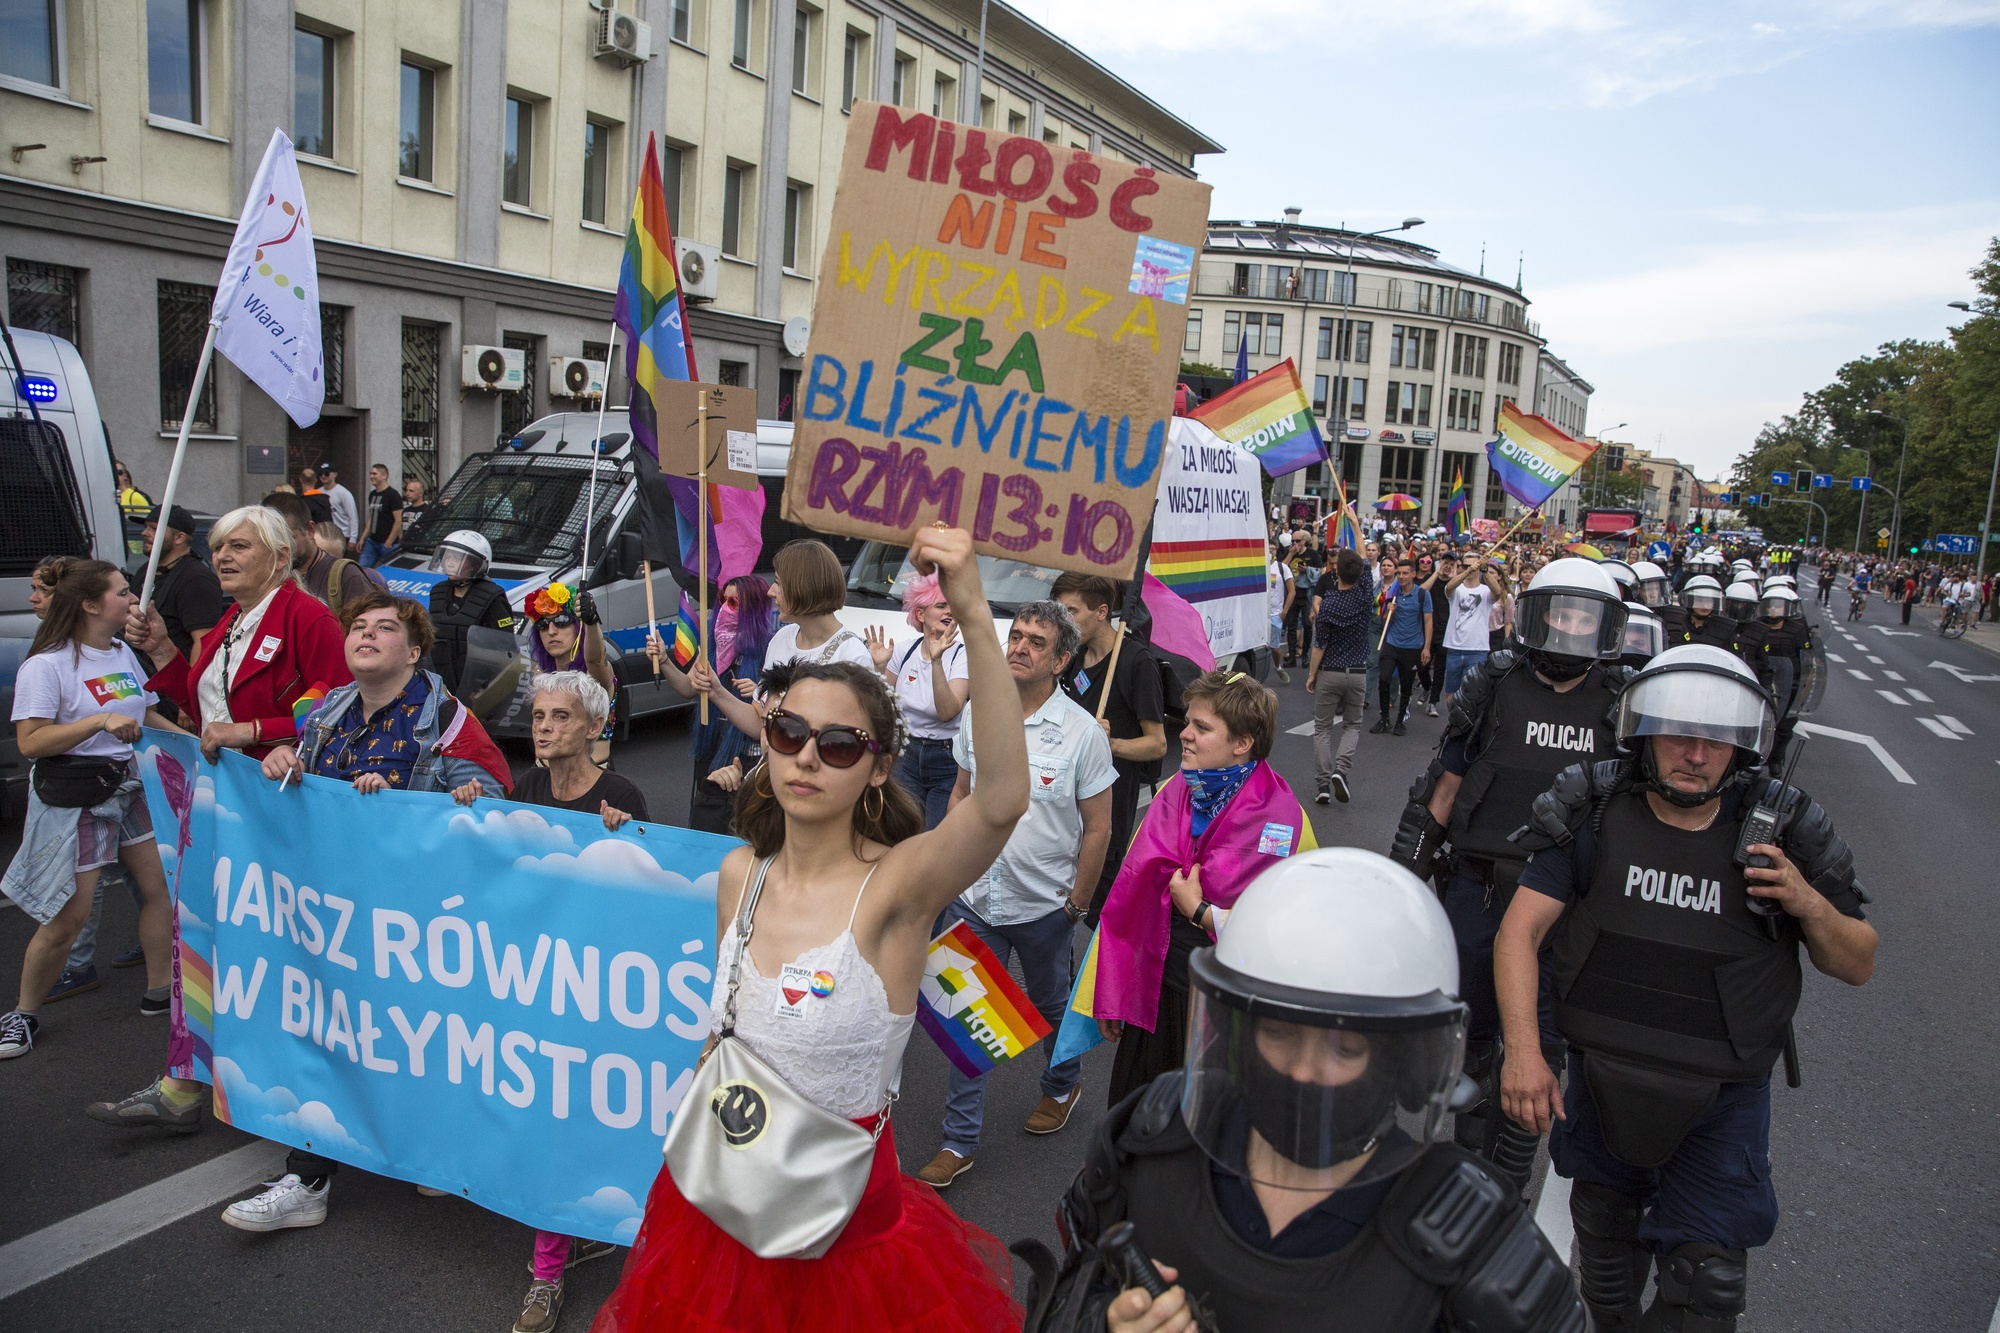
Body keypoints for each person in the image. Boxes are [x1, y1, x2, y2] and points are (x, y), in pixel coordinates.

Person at [589, 525, 1026, 1333]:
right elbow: (721, 1041)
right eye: (788, 733)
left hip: (851, 1244)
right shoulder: (737, 875)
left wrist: (971, 610)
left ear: (879, 765)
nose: (806, 758)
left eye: (838, 744)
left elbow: (1000, 799)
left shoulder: (897, 887)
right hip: (722, 1217)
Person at [1021, 848, 1584, 1333]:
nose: (1305, 1071)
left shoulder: (1472, 1235)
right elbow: (1064, 1294)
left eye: (1345, 1049)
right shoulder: (1152, 1138)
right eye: (1280, 1034)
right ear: (1240, 1038)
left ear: (1400, 1064)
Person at [1497, 645, 1877, 1333]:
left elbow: (1858, 961)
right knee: (1606, 1276)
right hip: (1604, 1078)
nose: (1696, 755)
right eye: (1679, 735)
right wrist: (1523, 1051)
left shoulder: (1784, 826)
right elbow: (1518, 932)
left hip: (1722, 1100)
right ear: (1644, 731)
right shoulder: (1592, 807)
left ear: (1743, 746)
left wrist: (1807, 902)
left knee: (1706, 1291)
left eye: (1716, 740)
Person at [1389, 556, 1629, 1195]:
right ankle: (1468, 1163)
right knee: (1467, 1034)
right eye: (1561, 613)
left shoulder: (1623, 703)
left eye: (1585, 617)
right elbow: (1445, 787)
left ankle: (1508, 1176)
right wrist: (1398, 886)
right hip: (1478, 884)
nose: (1571, 627)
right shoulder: (1494, 684)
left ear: (1604, 626)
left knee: (1540, 1042)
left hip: (1564, 907)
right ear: (1535, 615)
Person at [919, 599, 1113, 1187]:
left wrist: (1076, 905)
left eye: (1036, 641)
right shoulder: (981, 712)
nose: (1020, 648)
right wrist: (948, 869)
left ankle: (1062, 1082)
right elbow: (960, 794)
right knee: (967, 1018)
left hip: (1045, 908)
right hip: (975, 899)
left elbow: (1099, 827)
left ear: (1061, 660)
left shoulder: (1083, 734)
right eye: (1017, 636)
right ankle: (958, 1142)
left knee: (1051, 1006)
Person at [1090, 670, 1308, 1107]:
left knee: (1201, 1120)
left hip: (1222, 1002)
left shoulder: (1277, 816)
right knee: (1141, 1114)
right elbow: (1131, 897)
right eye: (1187, 721)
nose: (1184, 735)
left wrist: (1199, 910)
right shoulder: (1178, 790)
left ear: (1242, 743)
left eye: (1201, 728)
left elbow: (1274, 931)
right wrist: (1116, 991)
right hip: (1159, 985)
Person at [0, 562, 183, 1059]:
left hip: (130, 787)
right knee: (67, 917)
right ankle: (23, 1014)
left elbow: (144, 711)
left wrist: (197, 745)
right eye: (123, 593)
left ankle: (160, 993)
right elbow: (31, 741)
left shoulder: (122, 650)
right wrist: (98, 722)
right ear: (89, 604)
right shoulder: (48, 664)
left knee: (160, 890)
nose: (134, 601)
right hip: (81, 796)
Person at [124, 504, 351, 765]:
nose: (222, 556)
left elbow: (339, 713)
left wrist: (251, 731)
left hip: (280, 789)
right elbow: (209, 708)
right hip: (226, 787)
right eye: (218, 547)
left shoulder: (310, 618)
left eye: (239, 546)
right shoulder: (233, 615)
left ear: (280, 558)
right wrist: (161, 648)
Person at [1053, 572, 1166, 920]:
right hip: (1063, 799)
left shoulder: (1135, 662)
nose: (1062, 621)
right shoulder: (1073, 656)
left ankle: (1104, 970)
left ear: (1102, 611)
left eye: (1071, 611)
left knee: (1099, 907)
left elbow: (1157, 744)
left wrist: (1108, 743)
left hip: (1108, 804)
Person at [693, 538, 873, 742]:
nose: (770, 592)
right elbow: (760, 723)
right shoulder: (781, 638)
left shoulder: (852, 656)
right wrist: (717, 692)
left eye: (778, 583)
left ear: (803, 588)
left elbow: (847, 743)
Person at [648, 574, 780, 834]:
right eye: (723, 599)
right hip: (711, 749)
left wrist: (759, 693)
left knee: (742, 828)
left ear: (752, 609)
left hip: (747, 757)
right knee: (707, 824)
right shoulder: (712, 645)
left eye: (734, 602)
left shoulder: (770, 649)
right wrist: (663, 661)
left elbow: (770, 716)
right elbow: (688, 688)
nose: (725, 608)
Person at [881, 571, 970, 830]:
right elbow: (885, 704)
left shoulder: (961, 655)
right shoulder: (903, 650)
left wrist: (937, 661)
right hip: (907, 754)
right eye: (941, 605)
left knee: (936, 838)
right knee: (903, 832)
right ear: (920, 614)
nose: (949, 611)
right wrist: (878, 668)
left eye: (952, 605)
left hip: (947, 759)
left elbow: (948, 712)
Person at [1305, 548, 1373, 805]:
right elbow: (1365, 561)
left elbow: (1319, 644)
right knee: (1353, 725)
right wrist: (1356, 526)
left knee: (1322, 728)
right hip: (1357, 672)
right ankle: (1341, 771)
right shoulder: (1365, 597)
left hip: (1330, 672)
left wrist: (1312, 674)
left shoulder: (1329, 602)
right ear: (1360, 574)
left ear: (1336, 572)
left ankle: (1322, 784)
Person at [524, 582, 617, 765]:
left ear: (578, 627)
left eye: (561, 622)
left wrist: (590, 623)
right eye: (543, 624)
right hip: (544, 775)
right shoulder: (541, 676)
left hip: (591, 779)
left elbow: (596, 660)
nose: (551, 631)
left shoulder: (594, 678)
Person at [426, 529, 517, 697]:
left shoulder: (493, 597)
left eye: (459, 558)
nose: (451, 562)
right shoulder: (438, 592)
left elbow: (505, 648)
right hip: (440, 682)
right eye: (448, 557)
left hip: (476, 687)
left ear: (476, 564)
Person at [141, 505, 229, 664]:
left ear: (179, 538)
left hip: (172, 679)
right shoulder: (146, 571)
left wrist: (191, 686)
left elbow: (204, 642)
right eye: (146, 527)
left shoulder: (196, 579)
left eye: (154, 528)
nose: (145, 533)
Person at [263, 491, 374, 616]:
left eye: (288, 538)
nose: (279, 547)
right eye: (270, 540)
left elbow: (368, 629)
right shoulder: (263, 578)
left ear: (310, 530)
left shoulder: (347, 575)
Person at [1369, 556, 1431, 737]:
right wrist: (1388, 612)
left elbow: (1428, 622)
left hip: (1412, 647)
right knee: (1384, 679)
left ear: (1413, 574)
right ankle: (1384, 718)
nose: (1402, 576)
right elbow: (1384, 622)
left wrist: (1426, 647)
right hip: (1392, 644)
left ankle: (1400, 720)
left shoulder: (1422, 595)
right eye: (1399, 573)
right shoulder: (1392, 595)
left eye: (1405, 573)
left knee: (1406, 686)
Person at [1440, 552, 1503, 711]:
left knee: (1471, 694)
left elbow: (1497, 592)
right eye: (1465, 565)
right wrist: (1468, 571)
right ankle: (1452, 723)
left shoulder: (1484, 591)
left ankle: (1466, 727)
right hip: (1454, 648)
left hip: (1477, 649)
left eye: (1472, 565)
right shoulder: (1457, 589)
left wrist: (1484, 570)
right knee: (1451, 695)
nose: (1469, 568)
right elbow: (1449, 587)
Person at [360, 463, 404, 568]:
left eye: (374, 474)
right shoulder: (372, 495)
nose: (371, 476)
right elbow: (372, 516)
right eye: (370, 474)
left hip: (388, 543)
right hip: (372, 541)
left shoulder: (393, 495)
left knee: (391, 571)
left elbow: (398, 521)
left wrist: (388, 542)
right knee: (362, 568)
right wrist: (362, 538)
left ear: (384, 476)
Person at [114, 461, 153, 559]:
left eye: (119, 472)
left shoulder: (134, 496)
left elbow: (149, 523)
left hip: (136, 552)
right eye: (112, 471)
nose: (115, 475)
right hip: (118, 548)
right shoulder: (109, 497)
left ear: (125, 476)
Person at [1267, 542, 1294, 684]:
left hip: (1275, 614)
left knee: (1275, 648)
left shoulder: (1282, 568)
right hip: (1260, 614)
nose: (1270, 551)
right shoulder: (1258, 567)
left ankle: (1277, 667)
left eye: (1272, 548)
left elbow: (1292, 591)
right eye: (1267, 548)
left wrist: (1284, 612)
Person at [317, 461, 359, 549]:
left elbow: (353, 516)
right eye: (321, 473)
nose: (323, 476)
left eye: (327, 473)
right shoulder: (318, 492)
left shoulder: (343, 493)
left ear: (335, 474)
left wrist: (353, 538)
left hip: (342, 535)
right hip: (325, 535)